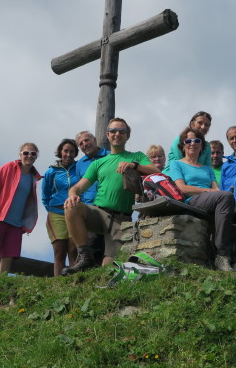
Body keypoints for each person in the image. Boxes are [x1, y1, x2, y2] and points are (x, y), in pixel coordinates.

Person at [62, 118, 159, 274]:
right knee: (71, 207)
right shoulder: (98, 163)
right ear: (107, 135)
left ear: (127, 136)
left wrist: (134, 165)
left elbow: (156, 171)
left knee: (109, 269)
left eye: (122, 131)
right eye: (113, 131)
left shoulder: (137, 156)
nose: (117, 134)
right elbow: (78, 187)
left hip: (121, 219)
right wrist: (72, 195)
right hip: (98, 212)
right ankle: (85, 257)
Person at [171, 127, 236, 274]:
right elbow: (182, 188)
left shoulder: (207, 168)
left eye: (197, 140)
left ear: (201, 146)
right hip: (192, 200)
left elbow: (216, 188)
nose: (192, 143)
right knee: (225, 196)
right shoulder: (177, 164)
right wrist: (210, 191)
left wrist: (214, 193)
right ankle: (222, 255)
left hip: (212, 200)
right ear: (183, 145)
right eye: (188, 140)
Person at [0, 142, 42, 276]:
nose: (29, 156)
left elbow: (29, 203)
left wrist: (26, 224)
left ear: (36, 156)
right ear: (20, 154)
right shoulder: (8, 168)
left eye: (33, 153)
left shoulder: (33, 178)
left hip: (16, 224)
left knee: (8, 257)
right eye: (26, 153)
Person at [42, 138, 80, 276]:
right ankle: (59, 284)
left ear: (75, 153)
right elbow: (45, 195)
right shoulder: (51, 171)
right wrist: (52, 208)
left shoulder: (79, 168)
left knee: (73, 251)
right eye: (65, 151)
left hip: (75, 213)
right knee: (59, 252)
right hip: (56, 213)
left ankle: (73, 284)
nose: (68, 154)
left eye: (72, 151)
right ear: (60, 152)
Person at [75, 130, 109, 265]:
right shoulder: (80, 164)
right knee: (93, 246)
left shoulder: (109, 155)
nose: (85, 144)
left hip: (109, 206)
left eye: (87, 140)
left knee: (110, 247)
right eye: (81, 143)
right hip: (90, 208)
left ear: (94, 140)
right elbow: (80, 187)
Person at [164, 111, 212, 176]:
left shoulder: (207, 146)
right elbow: (184, 166)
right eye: (200, 123)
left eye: (206, 125)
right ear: (192, 123)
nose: (203, 127)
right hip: (171, 179)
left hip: (196, 179)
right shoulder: (179, 140)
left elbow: (208, 170)